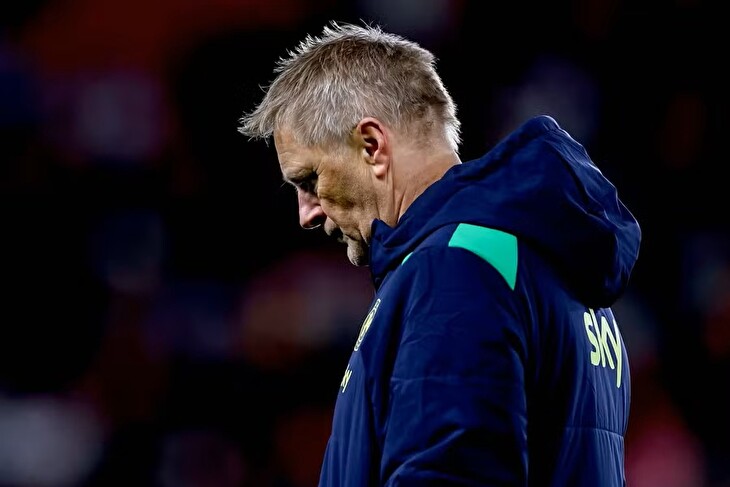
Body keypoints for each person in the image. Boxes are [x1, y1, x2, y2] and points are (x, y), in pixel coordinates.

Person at [238, 20, 641, 487]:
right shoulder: (567, 283)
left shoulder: (454, 269)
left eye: (310, 179)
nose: (306, 214)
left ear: (372, 146)